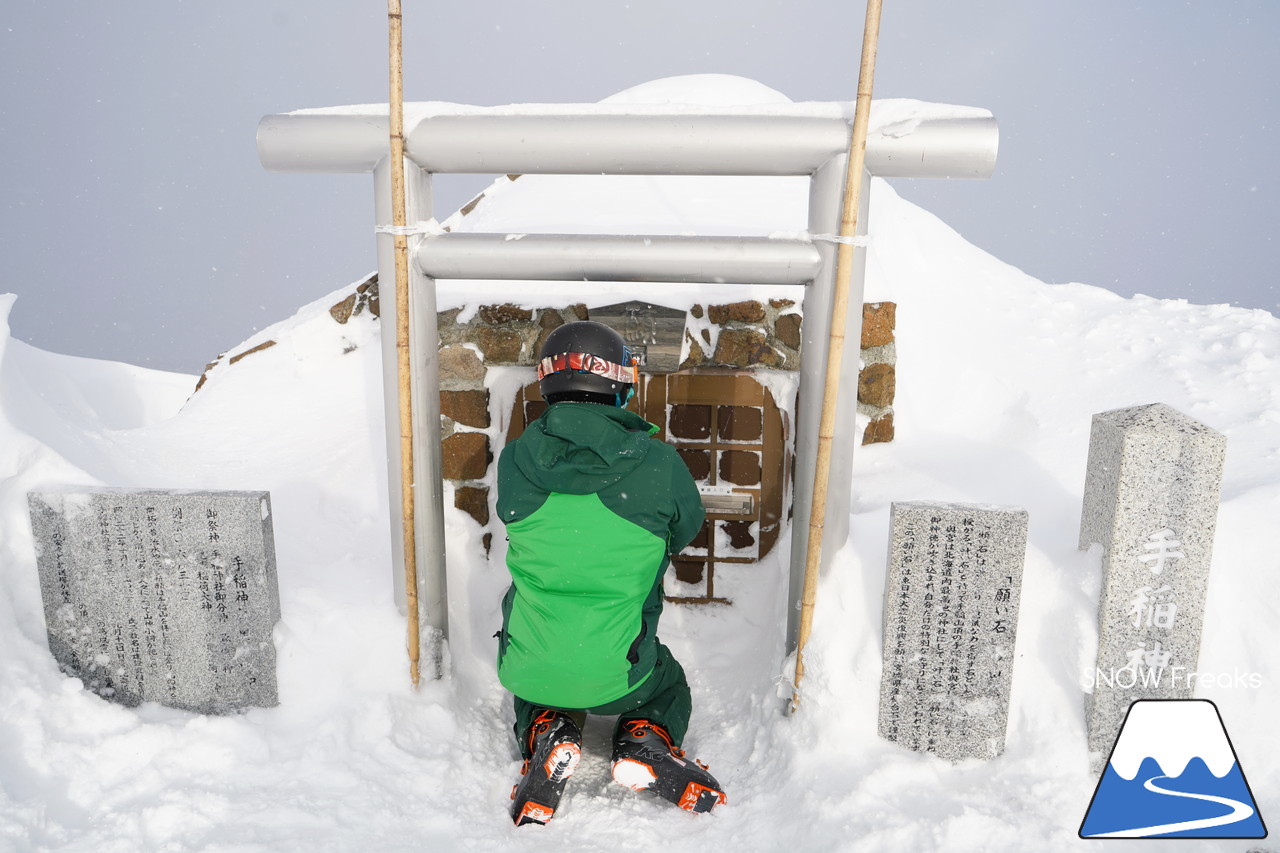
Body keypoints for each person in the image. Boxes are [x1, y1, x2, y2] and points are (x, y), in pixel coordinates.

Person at [496, 320, 727, 826]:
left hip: (532, 662)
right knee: (668, 682)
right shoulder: (659, 464)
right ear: (621, 384)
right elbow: (684, 527)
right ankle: (644, 736)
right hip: (625, 672)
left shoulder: (516, 459)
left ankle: (548, 729)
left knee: (535, 679)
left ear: (548, 383)